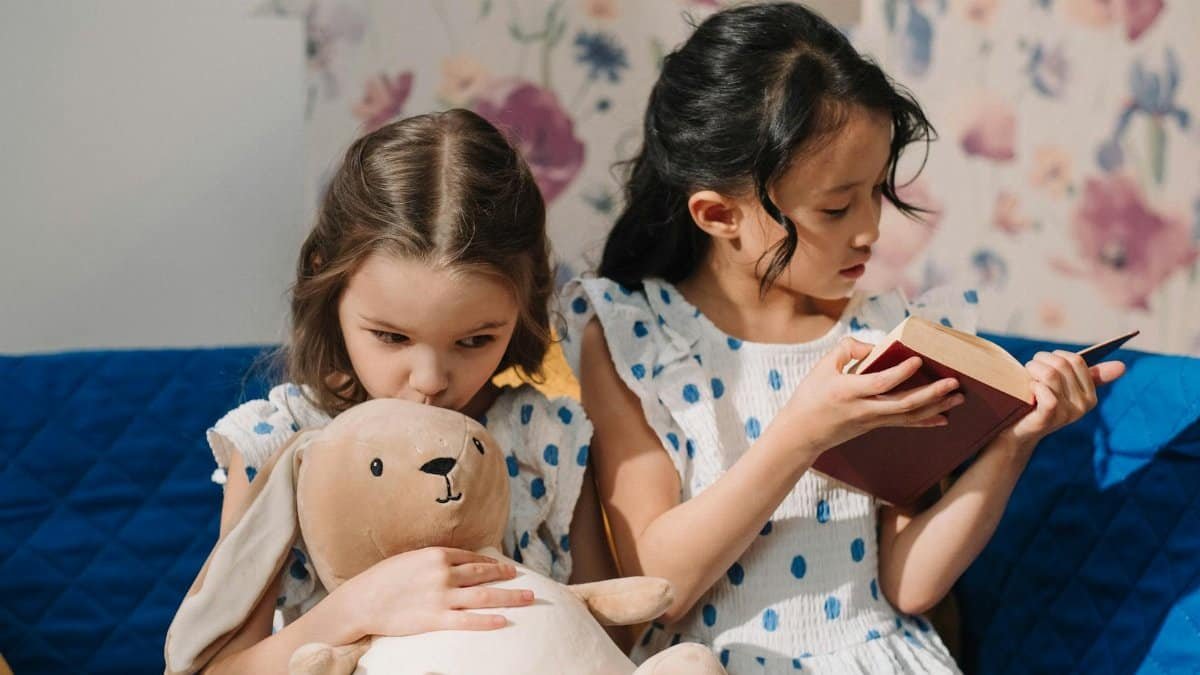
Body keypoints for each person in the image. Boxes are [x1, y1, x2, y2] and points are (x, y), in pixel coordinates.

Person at [560, 4, 1125, 672]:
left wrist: (1011, 444)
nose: (870, 230)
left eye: (877, 192)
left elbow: (908, 584)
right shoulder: (634, 335)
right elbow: (658, 587)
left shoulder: (885, 334)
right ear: (719, 214)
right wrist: (804, 431)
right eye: (835, 207)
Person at [187, 109, 612, 673]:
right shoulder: (281, 441)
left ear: (526, 301)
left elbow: (609, 640)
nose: (431, 379)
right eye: (391, 336)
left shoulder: (546, 439)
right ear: (327, 280)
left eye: (475, 340)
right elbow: (216, 668)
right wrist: (355, 609)